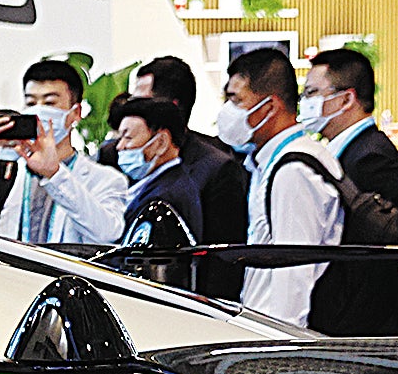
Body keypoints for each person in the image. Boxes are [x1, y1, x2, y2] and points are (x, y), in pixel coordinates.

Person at [0, 59, 128, 244]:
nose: (38, 111)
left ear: (74, 113)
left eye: (50, 103)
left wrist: (54, 174)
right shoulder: (3, 173)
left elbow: (106, 234)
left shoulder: (106, 180)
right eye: (31, 103)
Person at [220, 47, 341, 327]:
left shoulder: (293, 170)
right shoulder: (273, 162)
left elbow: (294, 272)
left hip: (276, 334)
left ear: (270, 107)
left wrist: (282, 347)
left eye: (236, 100)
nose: (228, 112)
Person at [128, 55, 249, 295]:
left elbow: (223, 262)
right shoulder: (116, 155)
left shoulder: (217, 168)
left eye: (143, 102)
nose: (132, 111)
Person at [302, 47, 398, 215]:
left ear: (346, 99)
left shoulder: (371, 159)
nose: (305, 102)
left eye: (311, 92)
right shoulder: (348, 148)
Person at [108, 96, 203, 238]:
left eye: (128, 138)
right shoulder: (156, 185)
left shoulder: (167, 198)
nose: (120, 147)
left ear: (161, 143)